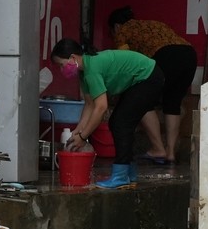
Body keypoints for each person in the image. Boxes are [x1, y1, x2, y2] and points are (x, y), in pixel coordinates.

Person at [51, 38, 165, 189]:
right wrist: (78, 130)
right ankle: (129, 173)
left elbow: (101, 107)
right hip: (141, 79)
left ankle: (120, 175)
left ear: (73, 58)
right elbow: (90, 104)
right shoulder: (84, 72)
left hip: (148, 77)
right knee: (119, 122)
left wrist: (83, 136)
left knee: (121, 123)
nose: (61, 70)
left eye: (61, 65)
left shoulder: (92, 68)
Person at [108, 6, 198, 165]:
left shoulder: (122, 31)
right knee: (173, 102)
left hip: (165, 56)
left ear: (116, 26)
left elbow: (124, 59)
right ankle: (170, 153)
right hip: (189, 55)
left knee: (141, 99)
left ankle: (158, 148)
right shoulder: (153, 24)